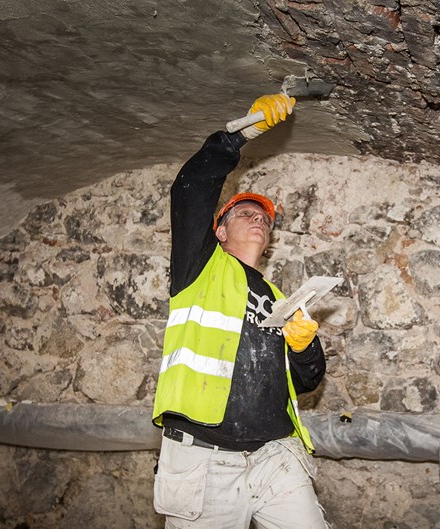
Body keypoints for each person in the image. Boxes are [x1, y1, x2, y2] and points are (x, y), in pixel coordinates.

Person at [151, 94, 330, 529]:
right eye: (246, 212)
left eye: (264, 220)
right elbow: (189, 190)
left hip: (275, 454)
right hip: (205, 459)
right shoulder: (200, 266)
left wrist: (304, 347)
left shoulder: (278, 295)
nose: (258, 220)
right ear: (219, 230)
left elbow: (307, 380)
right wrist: (238, 135)